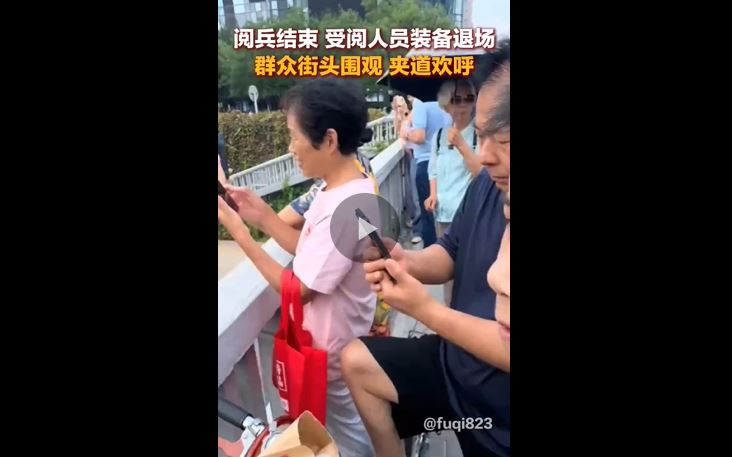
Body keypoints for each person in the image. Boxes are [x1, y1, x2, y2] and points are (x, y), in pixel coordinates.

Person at [340, 56, 511, 457]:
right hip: (454, 363)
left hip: (499, 411)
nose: (486, 156)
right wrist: (405, 261)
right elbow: (451, 251)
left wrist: (425, 311)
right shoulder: (488, 186)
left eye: (502, 140)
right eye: (481, 136)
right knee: (356, 361)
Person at [218, 79, 377, 457]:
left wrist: (241, 234)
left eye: (294, 136)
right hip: (336, 346)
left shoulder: (347, 206)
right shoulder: (341, 188)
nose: (291, 148)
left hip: (333, 355)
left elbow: (301, 287)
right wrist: (263, 216)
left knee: (351, 442)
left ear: (329, 139)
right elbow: (310, 253)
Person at [425, 79, 482, 305]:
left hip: (468, 213)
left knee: (469, 267)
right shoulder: (439, 135)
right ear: (446, 104)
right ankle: (449, 312)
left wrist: (462, 145)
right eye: (457, 99)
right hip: (443, 212)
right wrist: (432, 194)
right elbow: (433, 170)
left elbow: (481, 172)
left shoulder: (479, 134)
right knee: (446, 269)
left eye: (470, 98)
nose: (464, 104)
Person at [400, 96, 451, 247]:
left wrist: (406, 132)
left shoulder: (421, 103)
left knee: (428, 214)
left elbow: (419, 137)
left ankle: (433, 250)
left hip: (426, 162)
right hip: (447, 161)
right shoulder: (448, 100)